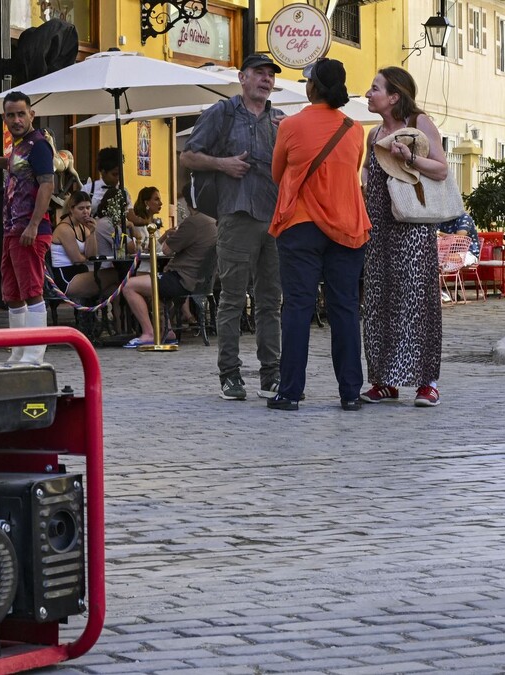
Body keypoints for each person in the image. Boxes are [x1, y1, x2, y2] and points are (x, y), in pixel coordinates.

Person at [266, 58, 372, 412]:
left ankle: (290, 392)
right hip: (346, 225)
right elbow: (348, 171)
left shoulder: (291, 126)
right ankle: (350, 392)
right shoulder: (355, 129)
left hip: (301, 225)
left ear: (312, 88)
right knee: (344, 308)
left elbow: (278, 173)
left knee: (298, 306)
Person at [180, 53, 285, 402]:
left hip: (273, 220)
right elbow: (188, 156)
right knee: (232, 301)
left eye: (270, 75)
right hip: (235, 216)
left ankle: (271, 373)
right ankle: (230, 375)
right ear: (242, 77)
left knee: (271, 300)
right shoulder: (222, 114)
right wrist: (222, 164)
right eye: (259, 73)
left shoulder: (280, 122)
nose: (266, 79)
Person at [360, 66, 450, 407]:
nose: (369, 94)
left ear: (394, 96)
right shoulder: (374, 133)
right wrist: (366, 181)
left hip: (412, 226)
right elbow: (369, 166)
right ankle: (385, 381)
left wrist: (411, 158)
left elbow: (441, 169)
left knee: (417, 302)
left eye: (375, 88)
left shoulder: (419, 124)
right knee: (380, 302)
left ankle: (427, 382)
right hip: (379, 226)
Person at [0, 91, 56, 364]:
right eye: (11, 115)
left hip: (30, 230)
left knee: (32, 290)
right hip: (12, 228)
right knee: (12, 293)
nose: (16, 119)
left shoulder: (39, 145)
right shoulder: (19, 146)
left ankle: (35, 353)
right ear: (5, 118)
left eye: (21, 113)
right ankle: (19, 349)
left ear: (31, 115)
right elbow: (15, 166)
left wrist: (34, 225)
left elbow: (47, 184)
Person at [120, 192, 217, 348]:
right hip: (201, 281)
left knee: (129, 285)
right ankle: (168, 331)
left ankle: (148, 333)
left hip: (182, 279)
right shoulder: (214, 222)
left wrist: (171, 237)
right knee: (152, 285)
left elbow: (166, 250)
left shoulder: (193, 222)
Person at [49, 190, 98, 291]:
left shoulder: (83, 227)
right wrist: (85, 258)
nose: (85, 212)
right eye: (81, 208)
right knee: (114, 275)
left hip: (79, 273)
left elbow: (92, 255)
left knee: (115, 285)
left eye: (88, 208)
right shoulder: (65, 228)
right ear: (71, 209)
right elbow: (77, 260)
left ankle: (118, 307)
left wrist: (92, 232)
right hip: (66, 278)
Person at [80, 147, 125, 216]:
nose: (118, 178)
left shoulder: (123, 191)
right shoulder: (88, 189)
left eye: (120, 174)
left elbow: (129, 213)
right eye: (114, 174)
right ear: (103, 172)